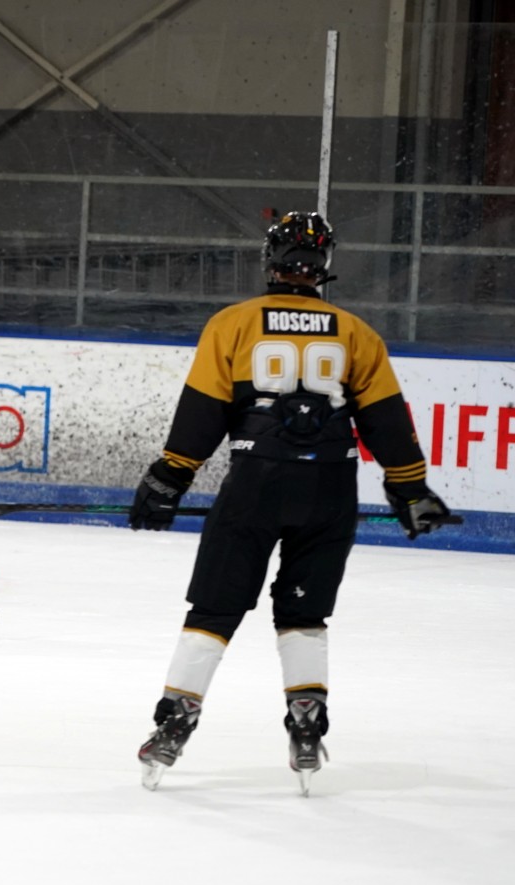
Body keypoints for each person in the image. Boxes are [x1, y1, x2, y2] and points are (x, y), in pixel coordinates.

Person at [127, 211, 453, 790]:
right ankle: (306, 723)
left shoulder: (234, 324)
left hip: (256, 484)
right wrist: (410, 488)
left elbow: (203, 414)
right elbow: (385, 422)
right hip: (330, 491)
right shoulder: (355, 333)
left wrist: (168, 478)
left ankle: (176, 720)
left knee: (214, 610)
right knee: (304, 614)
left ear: (270, 261)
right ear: (323, 266)